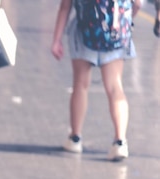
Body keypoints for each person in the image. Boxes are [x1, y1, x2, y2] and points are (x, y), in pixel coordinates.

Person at [52, 0, 141, 161]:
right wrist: (125, 22)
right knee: (115, 87)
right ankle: (120, 141)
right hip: (116, 34)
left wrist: (56, 39)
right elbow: (138, 4)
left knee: (81, 84)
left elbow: (65, 7)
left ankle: (75, 138)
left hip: (83, 31)